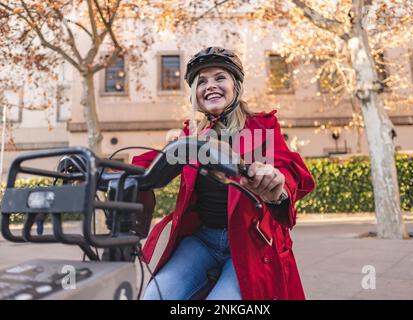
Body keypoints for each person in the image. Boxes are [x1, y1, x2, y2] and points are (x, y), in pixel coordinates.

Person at [132, 47, 315, 300]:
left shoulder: (263, 126)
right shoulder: (191, 135)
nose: (210, 86)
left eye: (220, 77)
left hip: (248, 242)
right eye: (202, 81)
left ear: (236, 86)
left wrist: (277, 186)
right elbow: (153, 162)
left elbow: (288, 169)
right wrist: (102, 169)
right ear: (194, 93)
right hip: (201, 240)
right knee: (154, 296)